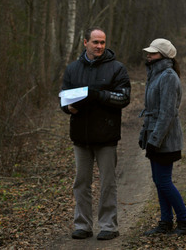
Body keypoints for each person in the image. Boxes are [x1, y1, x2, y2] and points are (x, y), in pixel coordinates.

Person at [60, 27, 131, 240]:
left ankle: (109, 225)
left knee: (108, 183)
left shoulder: (117, 69)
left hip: (106, 136)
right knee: (81, 182)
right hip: (80, 136)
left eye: (102, 42)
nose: (99, 46)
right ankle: (82, 225)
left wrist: (97, 95)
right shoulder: (72, 69)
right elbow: (63, 98)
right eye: (95, 42)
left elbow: (124, 98)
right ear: (85, 43)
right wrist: (67, 108)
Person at [139, 38, 186, 236]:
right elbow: (150, 110)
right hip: (155, 136)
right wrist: (144, 135)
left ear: (163, 55)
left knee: (163, 181)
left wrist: (154, 140)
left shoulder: (168, 76)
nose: (148, 55)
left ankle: (185, 221)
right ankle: (165, 222)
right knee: (158, 180)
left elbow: (167, 113)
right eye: (149, 52)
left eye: (153, 53)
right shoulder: (155, 75)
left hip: (166, 139)